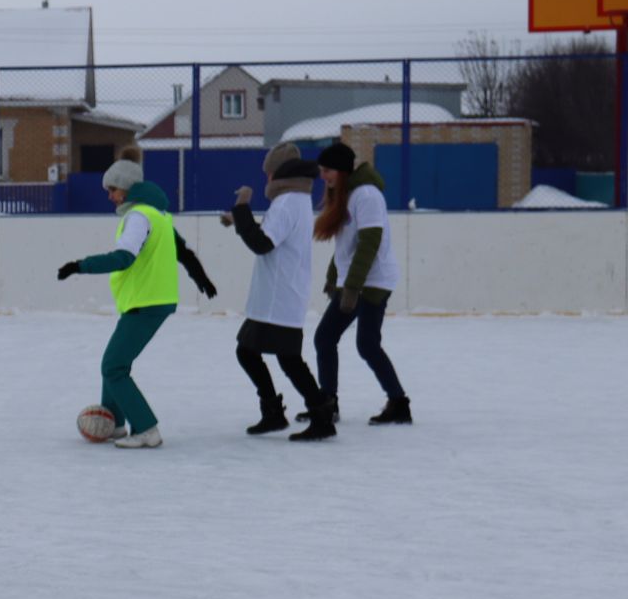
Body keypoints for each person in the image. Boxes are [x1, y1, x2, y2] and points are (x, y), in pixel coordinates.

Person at [57, 153, 214, 448]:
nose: (110, 197)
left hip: (147, 303)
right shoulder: (160, 215)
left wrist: (80, 265)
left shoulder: (139, 216)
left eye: (113, 190)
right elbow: (184, 252)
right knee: (116, 363)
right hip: (152, 301)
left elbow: (123, 258)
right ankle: (115, 423)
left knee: (113, 367)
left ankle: (146, 429)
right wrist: (201, 278)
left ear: (127, 188)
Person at [223, 144, 333, 438]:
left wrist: (243, 207)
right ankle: (277, 412)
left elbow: (262, 243)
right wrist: (240, 220)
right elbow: (270, 236)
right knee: (249, 351)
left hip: (279, 298)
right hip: (277, 296)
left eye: (268, 173)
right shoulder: (295, 201)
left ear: (279, 173)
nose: (266, 179)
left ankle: (319, 416)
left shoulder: (287, 202)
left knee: (285, 359)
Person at [308, 140, 411, 427]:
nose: (323, 176)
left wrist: (351, 287)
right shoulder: (347, 194)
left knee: (356, 342)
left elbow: (369, 242)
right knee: (336, 339)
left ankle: (396, 403)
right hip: (357, 279)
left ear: (341, 170)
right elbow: (346, 244)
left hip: (372, 281)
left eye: (327, 170)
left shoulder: (366, 195)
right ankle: (330, 402)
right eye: (321, 170)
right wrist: (334, 277)